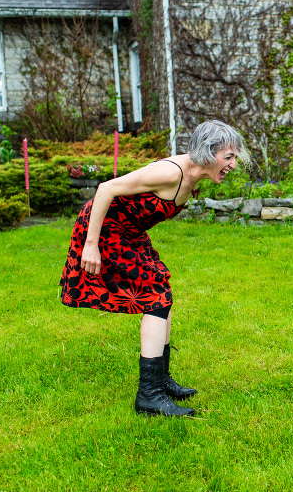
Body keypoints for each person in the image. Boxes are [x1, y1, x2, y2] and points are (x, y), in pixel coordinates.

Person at [59, 120, 250, 417]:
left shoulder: (194, 174)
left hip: (130, 232)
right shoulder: (169, 172)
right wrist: (91, 244)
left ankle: (159, 381)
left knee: (162, 293)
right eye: (228, 157)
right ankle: (149, 396)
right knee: (155, 294)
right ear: (208, 153)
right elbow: (105, 189)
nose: (233, 165)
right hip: (107, 229)